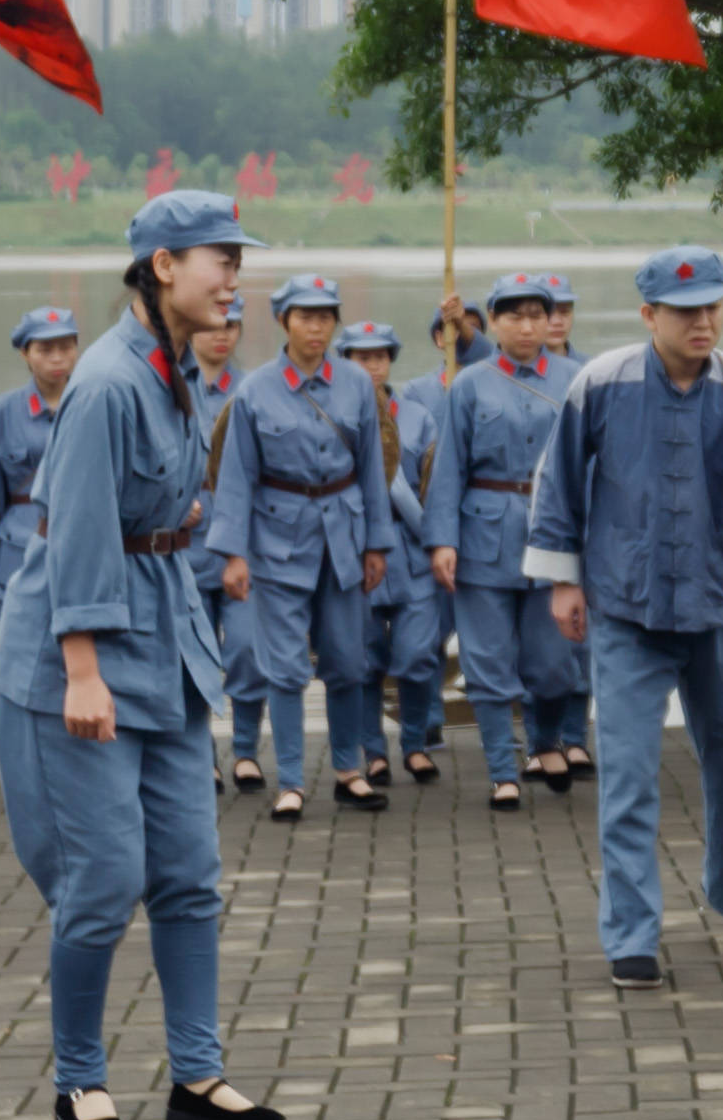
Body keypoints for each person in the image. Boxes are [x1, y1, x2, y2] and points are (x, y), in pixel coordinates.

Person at [11, 188, 287, 1120]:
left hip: (166, 641)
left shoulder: (178, 370)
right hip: (84, 653)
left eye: (237, 262)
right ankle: (79, 1079)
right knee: (103, 876)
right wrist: (83, 669)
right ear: (163, 267)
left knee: (189, 873)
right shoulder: (107, 382)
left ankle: (198, 1077)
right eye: (220, 260)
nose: (234, 279)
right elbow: (78, 533)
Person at [526, 246, 723, 991]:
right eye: (686, 311)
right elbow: (557, 479)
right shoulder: (601, 382)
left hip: (721, 600)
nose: (703, 322)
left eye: (712, 308)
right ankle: (632, 934)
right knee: (626, 776)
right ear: (649, 314)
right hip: (626, 603)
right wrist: (562, 579)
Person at [220, 272, 401, 816]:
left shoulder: (355, 385)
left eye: (325, 315)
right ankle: (292, 781)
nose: (316, 325)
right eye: (305, 315)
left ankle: (349, 770)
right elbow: (235, 474)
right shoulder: (254, 390)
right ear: (283, 321)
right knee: (284, 667)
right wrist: (232, 552)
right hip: (277, 538)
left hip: (343, 536)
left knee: (348, 660)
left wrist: (377, 543)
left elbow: (373, 469)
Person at [433, 272, 588, 804]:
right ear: (493, 322)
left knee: (553, 661)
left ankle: (544, 740)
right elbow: (449, 465)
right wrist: (442, 539)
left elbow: (590, 464)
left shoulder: (576, 378)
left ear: (551, 321)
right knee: (488, 658)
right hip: (483, 530)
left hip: (552, 529)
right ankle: (502, 767)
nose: (527, 326)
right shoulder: (471, 383)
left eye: (536, 315)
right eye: (514, 315)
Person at [348, 321, 453, 779]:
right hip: (358, 552)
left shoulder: (417, 415)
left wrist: (437, 537)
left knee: (417, 654)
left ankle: (414, 743)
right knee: (364, 660)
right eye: (361, 357)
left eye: (379, 356)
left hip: (411, 549)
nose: (372, 365)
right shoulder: (334, 415)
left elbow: (434, 483)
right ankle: (373, 751)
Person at [0, 307, 86, 713]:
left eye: (65, 347)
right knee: (22, 654)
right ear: (25, 354)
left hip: (81, 542)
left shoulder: (97, 399)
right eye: (45, 349)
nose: (57, 358)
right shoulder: (2, 413)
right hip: (17, 546)